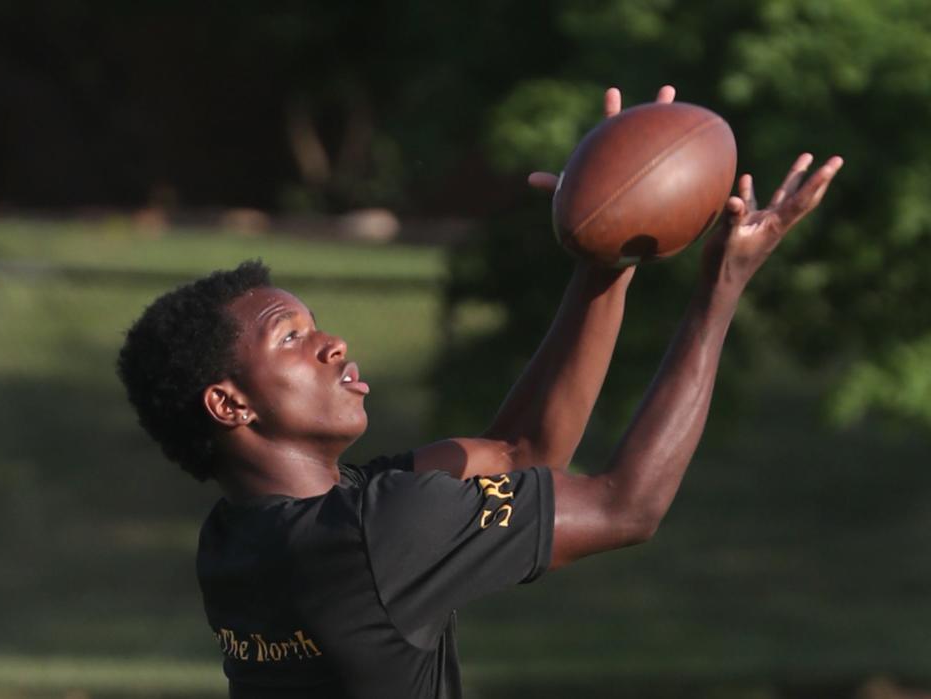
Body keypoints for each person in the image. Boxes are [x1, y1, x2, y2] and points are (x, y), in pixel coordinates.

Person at [116, 86, 843, 699]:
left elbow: (521, 452)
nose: (331, 344)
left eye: (317, 327)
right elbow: (628, 505)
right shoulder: (381, 532)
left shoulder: (235, 541)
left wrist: (606, 254)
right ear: (229, 404)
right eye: (290, 337)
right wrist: (721, 287)